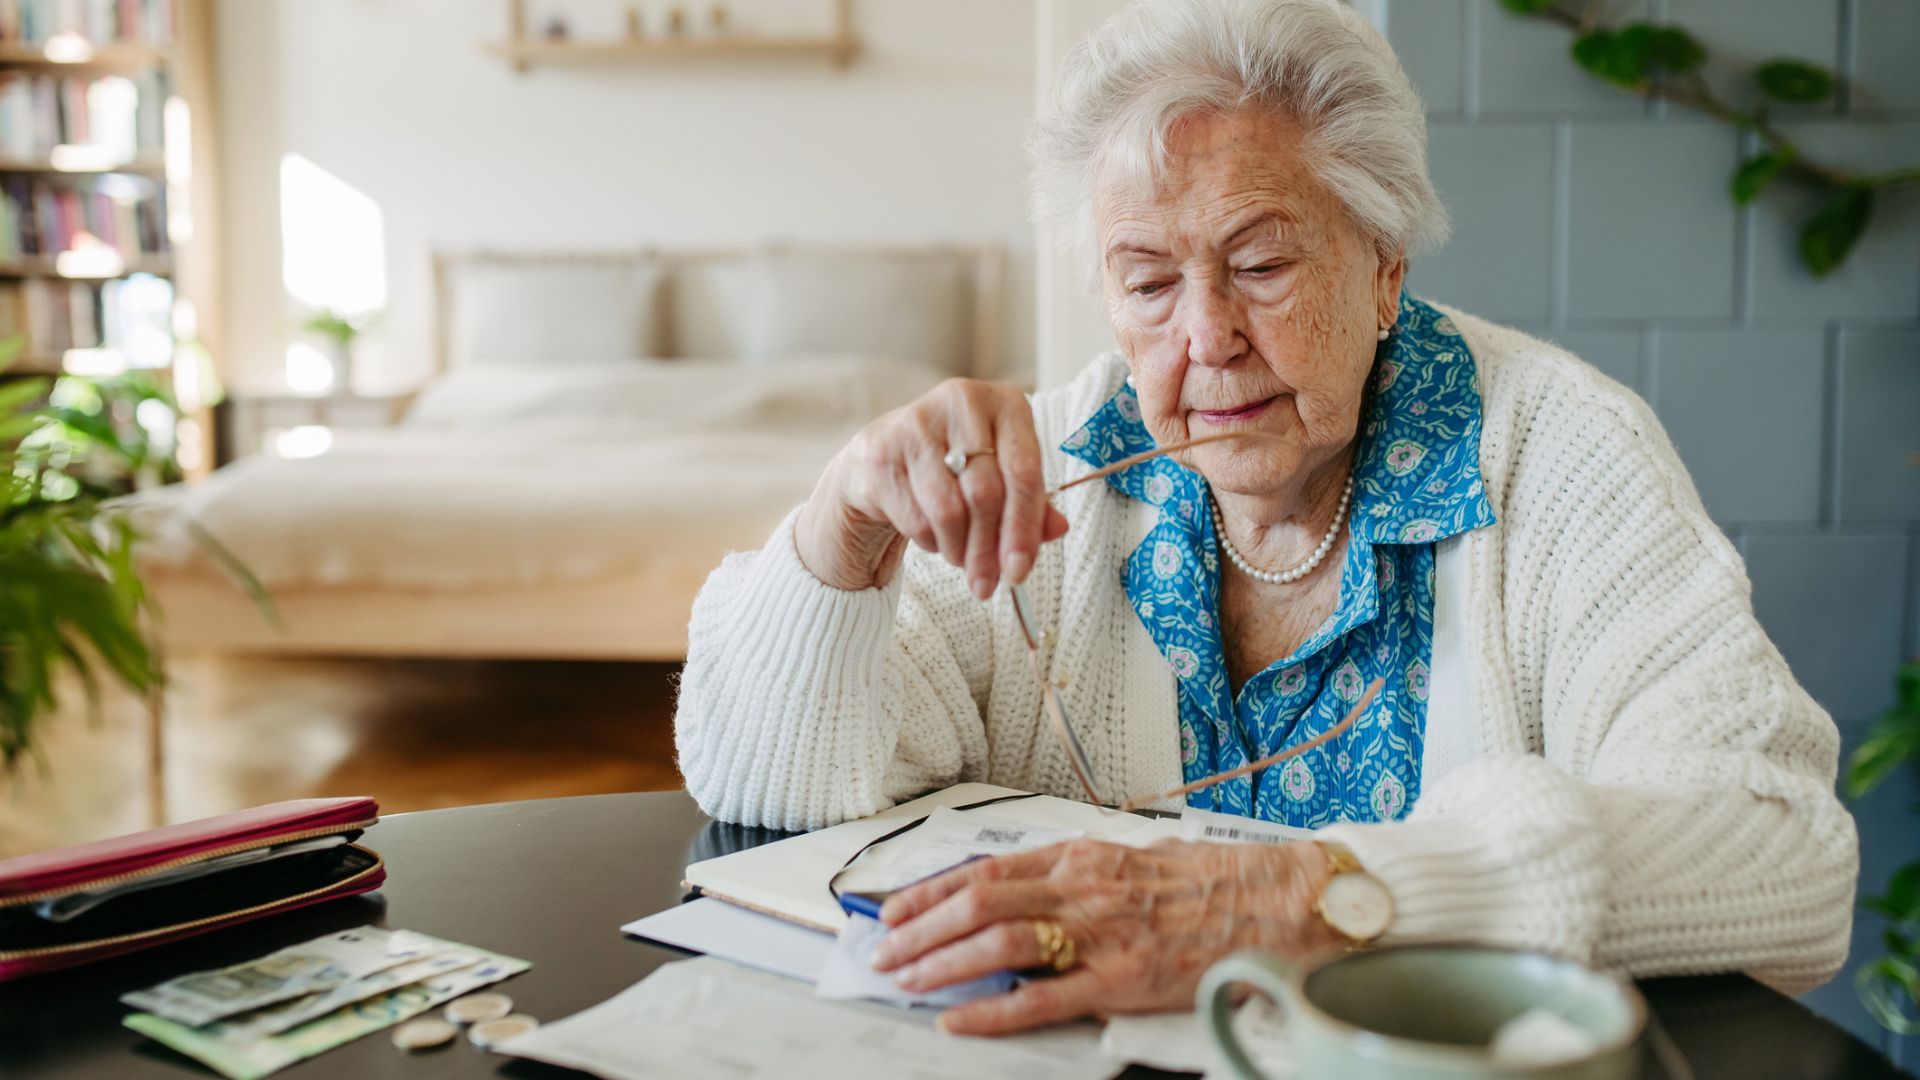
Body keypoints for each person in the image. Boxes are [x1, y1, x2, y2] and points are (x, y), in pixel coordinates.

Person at [674, 0, 1857, 1036]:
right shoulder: (1054, 483)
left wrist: (1320, 896)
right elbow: (774, 787)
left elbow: (1782, 855)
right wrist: (840, 536)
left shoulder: (1557, 454)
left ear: (1384, 266)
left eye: (1260, 263)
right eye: (1147, 282)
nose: (1206, 337)